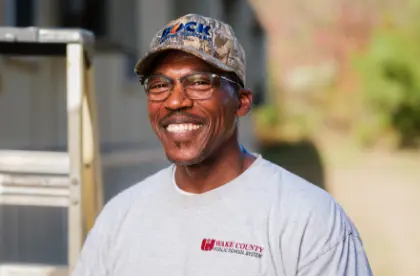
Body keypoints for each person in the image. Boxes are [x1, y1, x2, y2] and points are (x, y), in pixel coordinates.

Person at [72, 14, 373, 276]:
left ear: (242, 102)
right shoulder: (121, 217)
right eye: (160, 85)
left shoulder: (307, 219)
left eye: (200, 82)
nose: (176, 101)